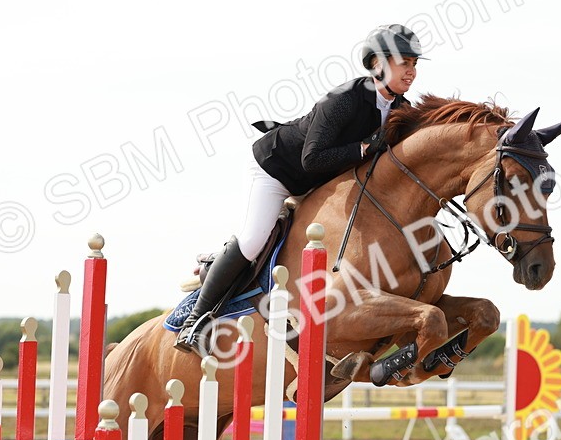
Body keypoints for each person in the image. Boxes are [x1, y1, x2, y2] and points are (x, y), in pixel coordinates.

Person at [175, 24, 426, 354]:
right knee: (253, 239)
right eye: (404, 62)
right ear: (378, 64)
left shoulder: (401, 110)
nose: (411, 70)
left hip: (323, 183)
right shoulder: (345, 99)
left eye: (414, 63)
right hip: (280, 170)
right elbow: (312, 159)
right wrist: (363, 149)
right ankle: (196, 320)